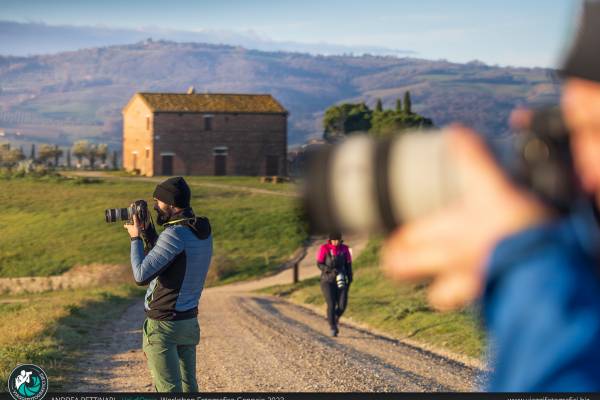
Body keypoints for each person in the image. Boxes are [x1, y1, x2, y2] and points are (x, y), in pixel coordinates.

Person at [381, 1, 600, 391]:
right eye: (572, 133)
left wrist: (530, 263)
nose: (582, 173)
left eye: (595, 130)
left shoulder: (539, 267)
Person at [124, 176, 212, 392]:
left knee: (168, 389)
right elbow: (171, 258)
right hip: (188, 322)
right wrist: (149, 233)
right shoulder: (199, 230)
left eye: (158, 202)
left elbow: (141, 276)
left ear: (171, 205)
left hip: (164, 325)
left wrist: (135, 238)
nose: (155, 207)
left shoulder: (174, 234)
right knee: (188, 386)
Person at [317, 232, 353, 337]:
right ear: (330, 240)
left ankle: (335, 317)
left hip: (341, 279)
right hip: (327, 280)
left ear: (340, 240)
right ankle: (333, 326)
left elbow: (348, 264)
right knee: (331, 304)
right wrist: (329, 270)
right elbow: (319, 263)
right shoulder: (324, 248)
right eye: (334, 240)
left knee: (342, 305)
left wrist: (350, 277)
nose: (335, 242)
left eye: (337, 240)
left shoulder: (345, 249)